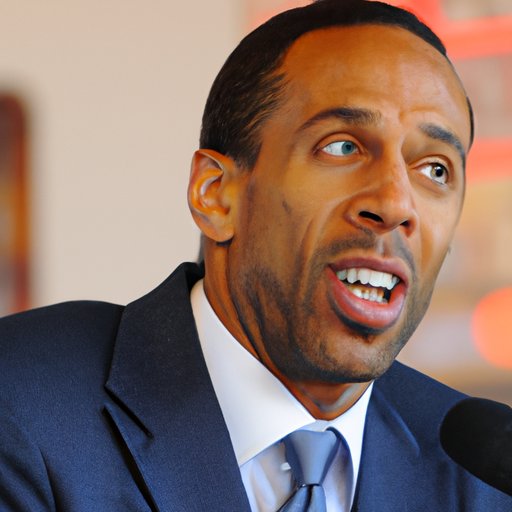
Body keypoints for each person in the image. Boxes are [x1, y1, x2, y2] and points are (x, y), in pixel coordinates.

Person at [0, 0, 510, 510]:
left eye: (436, 170)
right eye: (342, 147)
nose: (396, 205)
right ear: (215, 195)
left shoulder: (483, 478)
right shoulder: (21, 401)